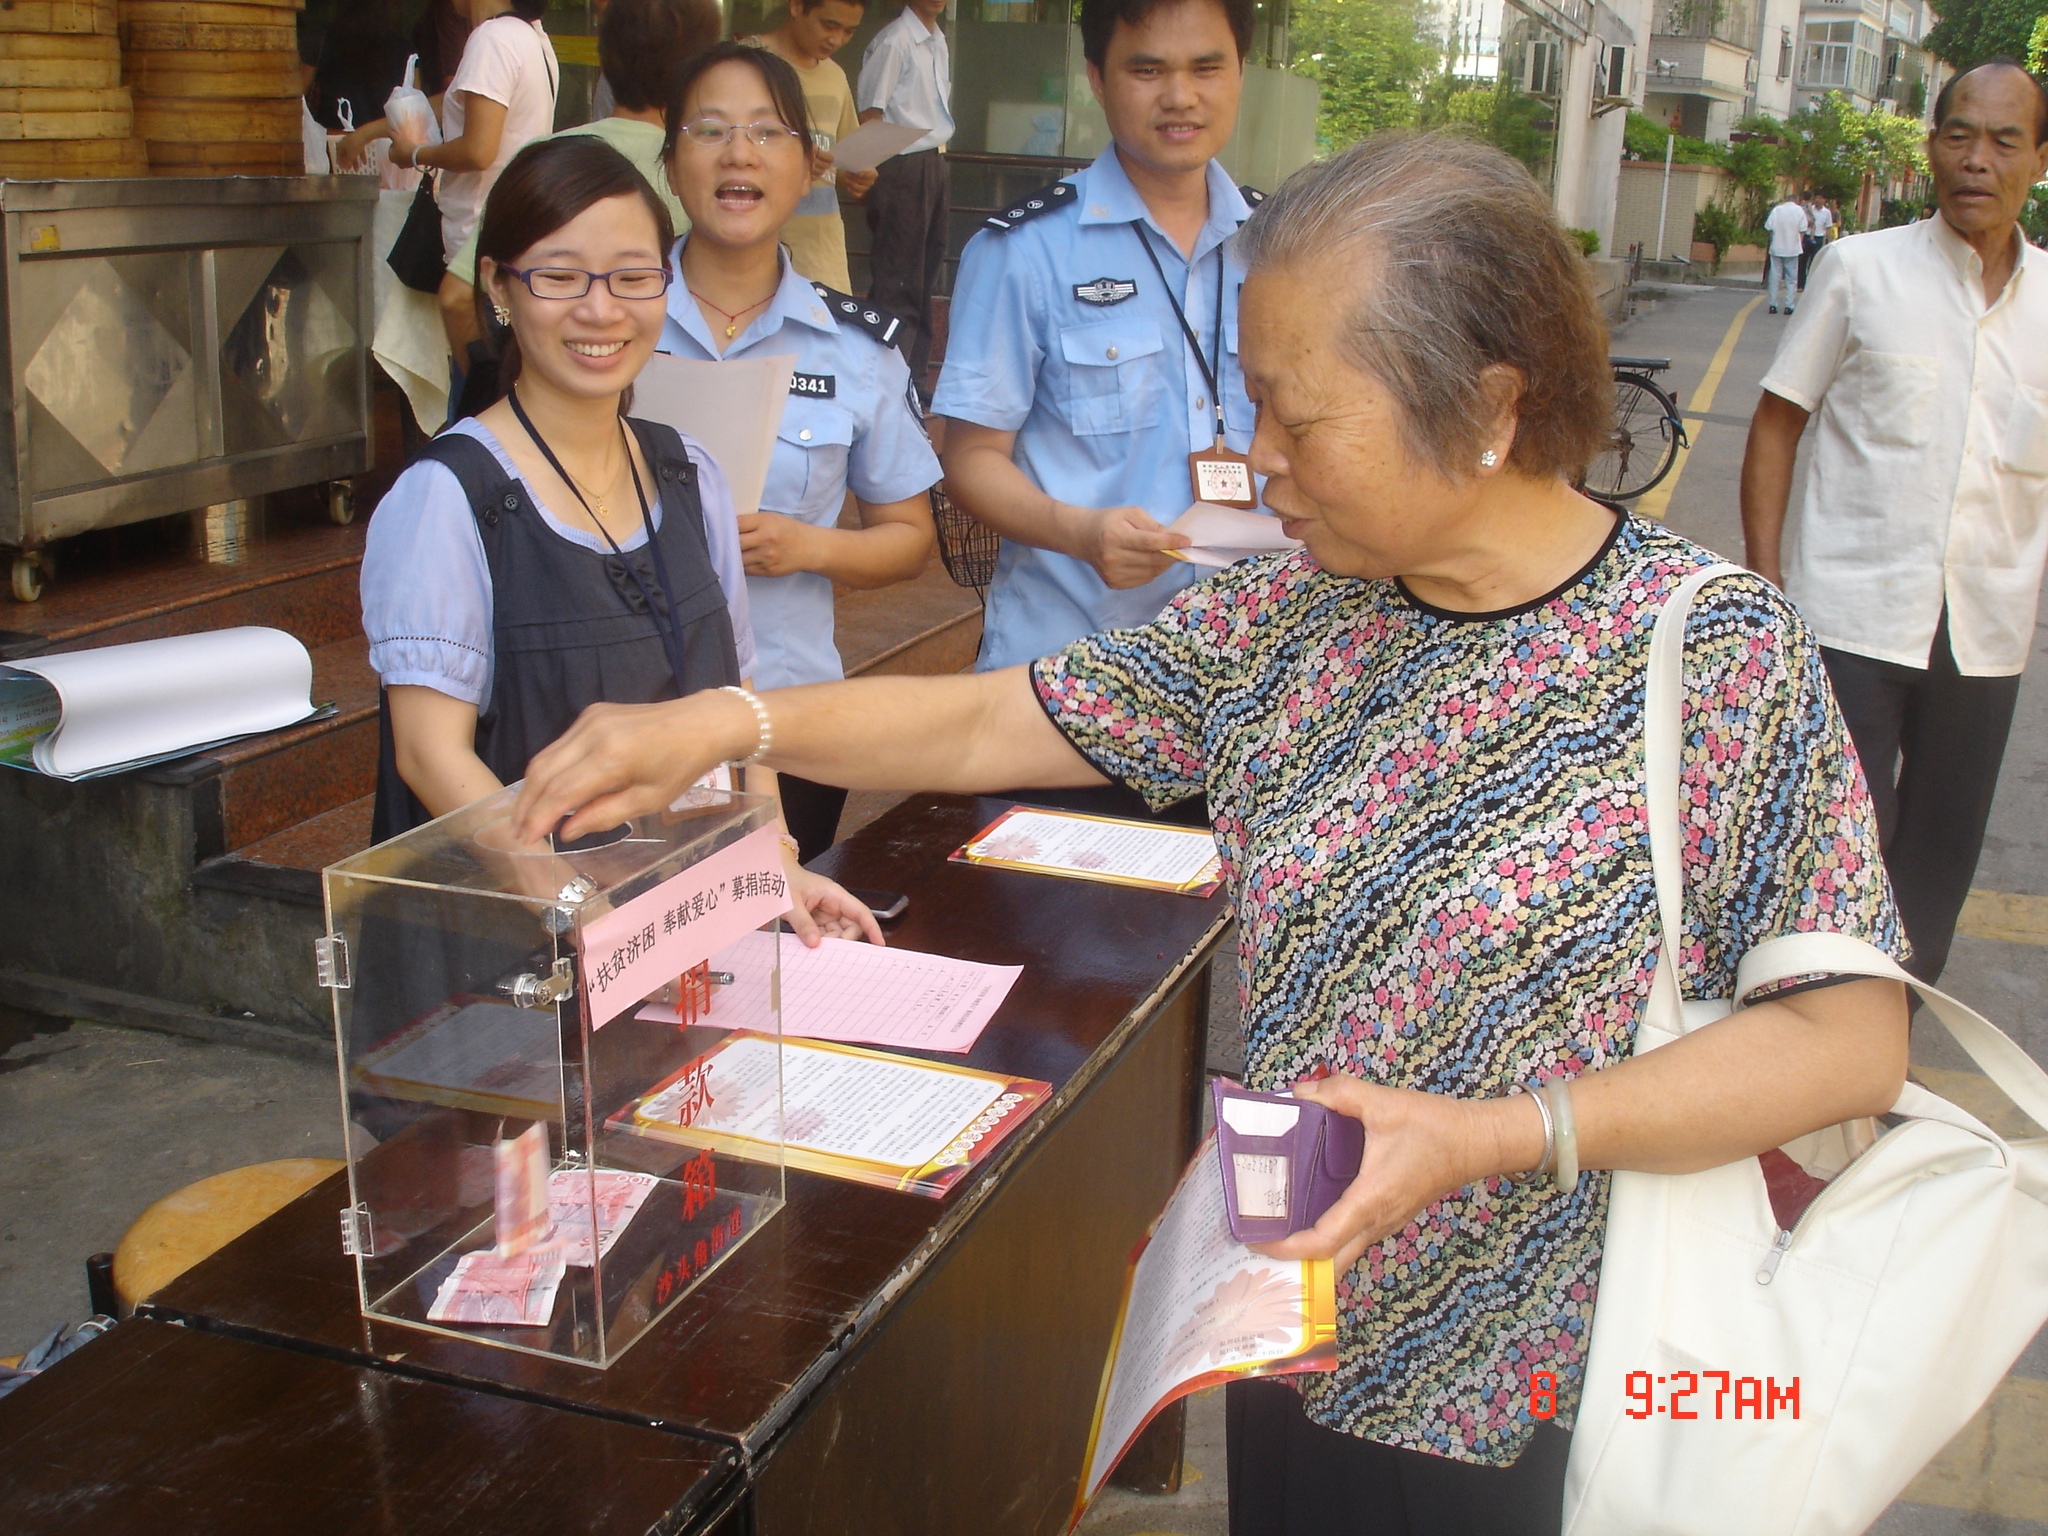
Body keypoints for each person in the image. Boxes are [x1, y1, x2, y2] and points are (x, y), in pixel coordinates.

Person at [508, 132, 1910, 1536]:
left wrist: (1498, 1136)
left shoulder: (1709, 651)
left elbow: (1847, 1039)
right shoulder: (1289, 616)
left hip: (1557, 1392)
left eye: (1298, 418)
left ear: (1485, 405)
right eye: (1252, 403)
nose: (1255, 460)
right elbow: (998, 722)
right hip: (1291, 1327)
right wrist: (731, 722)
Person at [360, 135, 881, 946]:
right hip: (510, 961)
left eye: (632, 277)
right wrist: (582, 914)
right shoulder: (447, 496)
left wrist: (777, 863)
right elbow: (431, 758)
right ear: (498, 285)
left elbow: (739, 711)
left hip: (677, 937)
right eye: (560, 276)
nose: (601, 310)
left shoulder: (691, 474)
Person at [1739, 59, 2048, 986]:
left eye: (2004, 141)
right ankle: (1808, 1026)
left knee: (1936, 868)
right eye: (1959, 135)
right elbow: (1777, 422)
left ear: (2039, 160)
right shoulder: (1859, 269)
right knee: (1833, 852)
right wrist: (1767, 587)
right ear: (1932, 147)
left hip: (1986, 631)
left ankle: (1886, 1029)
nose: (1977, 159)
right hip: (1851, 618)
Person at [658, 42, 940, 860]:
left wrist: (805, 546)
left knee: (778, 927)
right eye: (711, 130)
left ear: (808, 165)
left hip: (787, 716)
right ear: (671, 163)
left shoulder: (858, 349)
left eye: (766, 132)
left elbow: (908, 539)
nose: (738, 153)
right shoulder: (610, 322)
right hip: (627, 712)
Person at [933, 0, 1264, 687]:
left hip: (1252, 670)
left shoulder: (1284, 247)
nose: (1180, 96)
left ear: (1240, 73)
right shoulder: (1024, 251)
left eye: (1206, 68)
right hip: (1074, 666)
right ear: (1097, 78)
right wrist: (1079, 532)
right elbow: (970, 460)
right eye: (1148, 70)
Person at [437, 0, 720, 413]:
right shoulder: (709, 176)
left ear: (606, 57)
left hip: (541, 414)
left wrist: (497, 392)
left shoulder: (551, 157)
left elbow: (456, 297)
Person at [336, 0, 561, 361]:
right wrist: (370, 132)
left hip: (480, 235)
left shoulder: (492, 38)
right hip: (511, 230)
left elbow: (478, 151)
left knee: (478, 376)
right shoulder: (530, 36)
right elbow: (461, 102)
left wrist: (415, 154)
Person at [742, 0, 878, 291]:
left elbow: (839, 162)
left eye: (849, 31)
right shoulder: (747, 64)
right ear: (796, 6)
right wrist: (794, 161)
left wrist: (855, 175)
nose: (836, 40)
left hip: (823, 252)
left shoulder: (835, 77)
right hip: (756, 250)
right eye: (829, 26)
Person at [855, 0, 952, 384]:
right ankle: (886, 380)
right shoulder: (895, 40)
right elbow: (870, 112)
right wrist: (871, 170)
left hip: (934, 160)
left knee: (926, 272)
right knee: (899, 277)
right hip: (901, 162)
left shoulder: (937, 40)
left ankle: (914, 378)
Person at [1762, 189, 1808, 313]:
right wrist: (1799, 243)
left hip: (1776, 247)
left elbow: (1768, 227)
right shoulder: (1799, 211)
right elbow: (1803, 229)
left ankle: (1773, 304)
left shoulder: (1777, 210)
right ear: (1796, 201)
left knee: (1774, 277)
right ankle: (1789, 305)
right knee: (1791, 279)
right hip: (1792, 249)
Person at [1796, 189, 1828, 291]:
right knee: (1802, 261)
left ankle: (1811, 285)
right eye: (1816, 198)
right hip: (1807, 236)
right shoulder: (1809, 209)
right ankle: (1801, 284)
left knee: (1814, 262)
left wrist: (1828, 240)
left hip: (1818, 238)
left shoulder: (1826, 212)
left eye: (1820, 198)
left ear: (1824, 200)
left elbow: (1828, 227)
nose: (1818, 200)